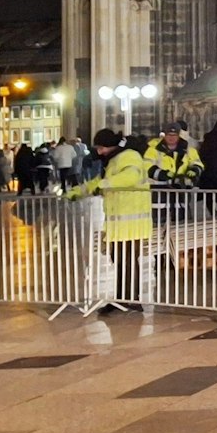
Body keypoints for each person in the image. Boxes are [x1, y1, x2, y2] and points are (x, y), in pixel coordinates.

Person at [67, 129, 151, 310]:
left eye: (101, 147)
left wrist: (102, 185)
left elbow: (130, 177)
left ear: (110, 145)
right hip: (120, 222)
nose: (99, 152)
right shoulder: (113, 160)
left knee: (127, 261)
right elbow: (97, 182)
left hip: (132, 221)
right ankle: (122, 299)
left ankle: (130, 300)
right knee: (119, 260)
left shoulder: (129, 156)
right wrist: (76, 192)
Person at [142, 123, 202, 188]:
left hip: (183, 188)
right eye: (169, 135)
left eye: (174, 135)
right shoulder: (153, 149)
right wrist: (162, 174)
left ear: (178, 135)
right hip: (160, 188)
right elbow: (146, 166)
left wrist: (194, 170)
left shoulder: (189, 149)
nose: (171, 137)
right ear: (164, 135)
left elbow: (197, 163)